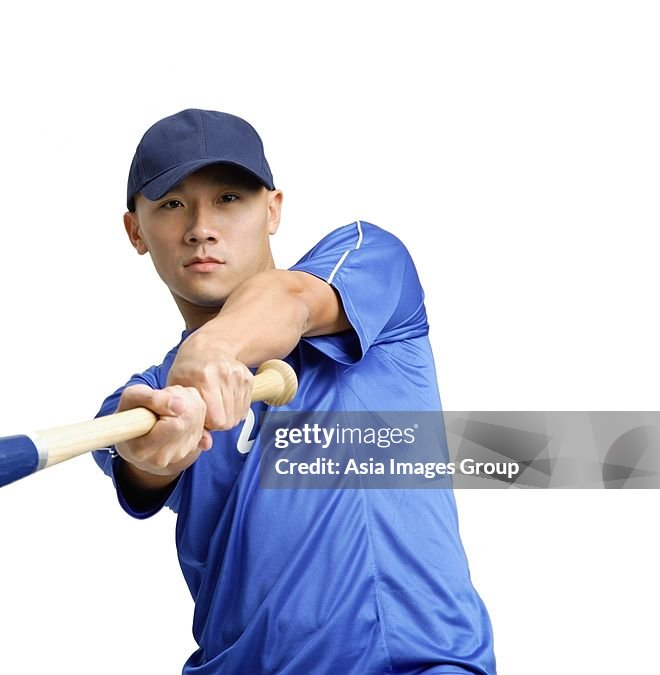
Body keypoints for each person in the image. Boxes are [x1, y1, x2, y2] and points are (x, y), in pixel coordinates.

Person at [92, 109, 496, 674]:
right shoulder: (151, 395)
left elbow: (290, 300)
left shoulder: (367, 267)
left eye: (230, 198)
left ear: (273, 210)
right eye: (172, 205)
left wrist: (213, 351)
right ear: (136, 230)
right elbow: (138, 454)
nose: (201, 228)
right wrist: (153, 448)